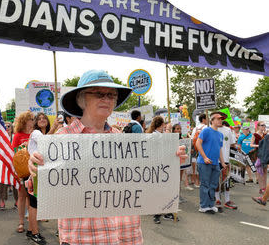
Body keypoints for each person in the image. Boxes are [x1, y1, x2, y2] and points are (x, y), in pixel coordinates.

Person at [29, 70, 187, 245]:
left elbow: (140, 179)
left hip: (126, 234)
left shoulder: (120, 138)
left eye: (112, 95)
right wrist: (35, 170)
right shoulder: (61, 139)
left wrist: (169, 160)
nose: (107, 99)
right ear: (82, 99)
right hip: (84, 238)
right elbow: (39, 190)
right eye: (99, 94)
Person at [25, 112, 61, 244]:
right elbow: (44, 142)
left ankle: (30, 230)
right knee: (34, 203)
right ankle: (35, 233)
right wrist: (54, 128)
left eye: (43, 118)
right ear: (35, 122)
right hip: (36, 170)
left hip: (45, 170)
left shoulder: (50, 133)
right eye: (38, 118)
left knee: (37, 202)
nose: (41, 120)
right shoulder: (35, 133)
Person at [196, 112, 227, 214]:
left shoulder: (220, 134)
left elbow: (219, 149)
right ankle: (203, 206)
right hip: (204, 163)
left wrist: (222, 162)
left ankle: (210, 204)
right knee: (205, 184)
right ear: (212, 120)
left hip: (215, 163)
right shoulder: (206, 131)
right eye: (218, 119)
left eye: (221, 119)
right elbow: (198, 143)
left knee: (213, 185)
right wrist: (204, 157)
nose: (220, 120)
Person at [147, 117, 178, 224]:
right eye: (164, 124)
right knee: (159, 190)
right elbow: (166, 142)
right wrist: (169, 130)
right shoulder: (154, 135)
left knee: (166, 190)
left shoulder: (160, 134)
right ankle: (157, 213)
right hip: (157, 166)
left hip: (165, 166)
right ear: (161, 124)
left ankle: (166, 211)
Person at [12, 111, 34, 234]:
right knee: (22, 196)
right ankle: (21, 222)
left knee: (33, 196)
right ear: (25, 121)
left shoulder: (36, 134)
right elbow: (14, 154)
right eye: (31, 118)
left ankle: (33, 220)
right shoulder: (18, 135)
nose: (33, 120)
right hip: (23, 170)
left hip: (35, 169)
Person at [215, 120, 238, 210]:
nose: (219, 120)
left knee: (226, 181)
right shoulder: (211, 129)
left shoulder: (228, 130)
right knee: (216, 180)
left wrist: (236, 146)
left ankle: (227, 200)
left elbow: (232, 143)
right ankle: (217, 199)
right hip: (215, 159)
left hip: (226, 159)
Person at [0, 121, 18, 210]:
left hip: (14, 162)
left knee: (16, 182)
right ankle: (2, 201)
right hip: (3, 162)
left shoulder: (15, 137)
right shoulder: (0, 138)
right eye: (5, 126)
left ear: (12, 127)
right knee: (2, 182)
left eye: (8, 126)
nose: (7, 128)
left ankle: (17, 201)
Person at [190, 113, 208, 188]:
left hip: (195, 148)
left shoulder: (195, 128)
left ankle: (194, 180)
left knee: (194, 165)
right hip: (203, 148)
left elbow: (192, 138)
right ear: (204, 119)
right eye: (207, 118)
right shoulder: (206, 127)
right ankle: (200, 182)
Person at [252, 121, 266, 193]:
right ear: (258, 126)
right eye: (262, 125)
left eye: (264, 125)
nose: (264, 126)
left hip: (265, 154)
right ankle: (261, 188)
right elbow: (251, 145)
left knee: (265, 172)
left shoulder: (265, 134)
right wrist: (258, 145)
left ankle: (265, 188)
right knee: (260, 172)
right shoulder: (255, 134)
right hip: (258, 154)